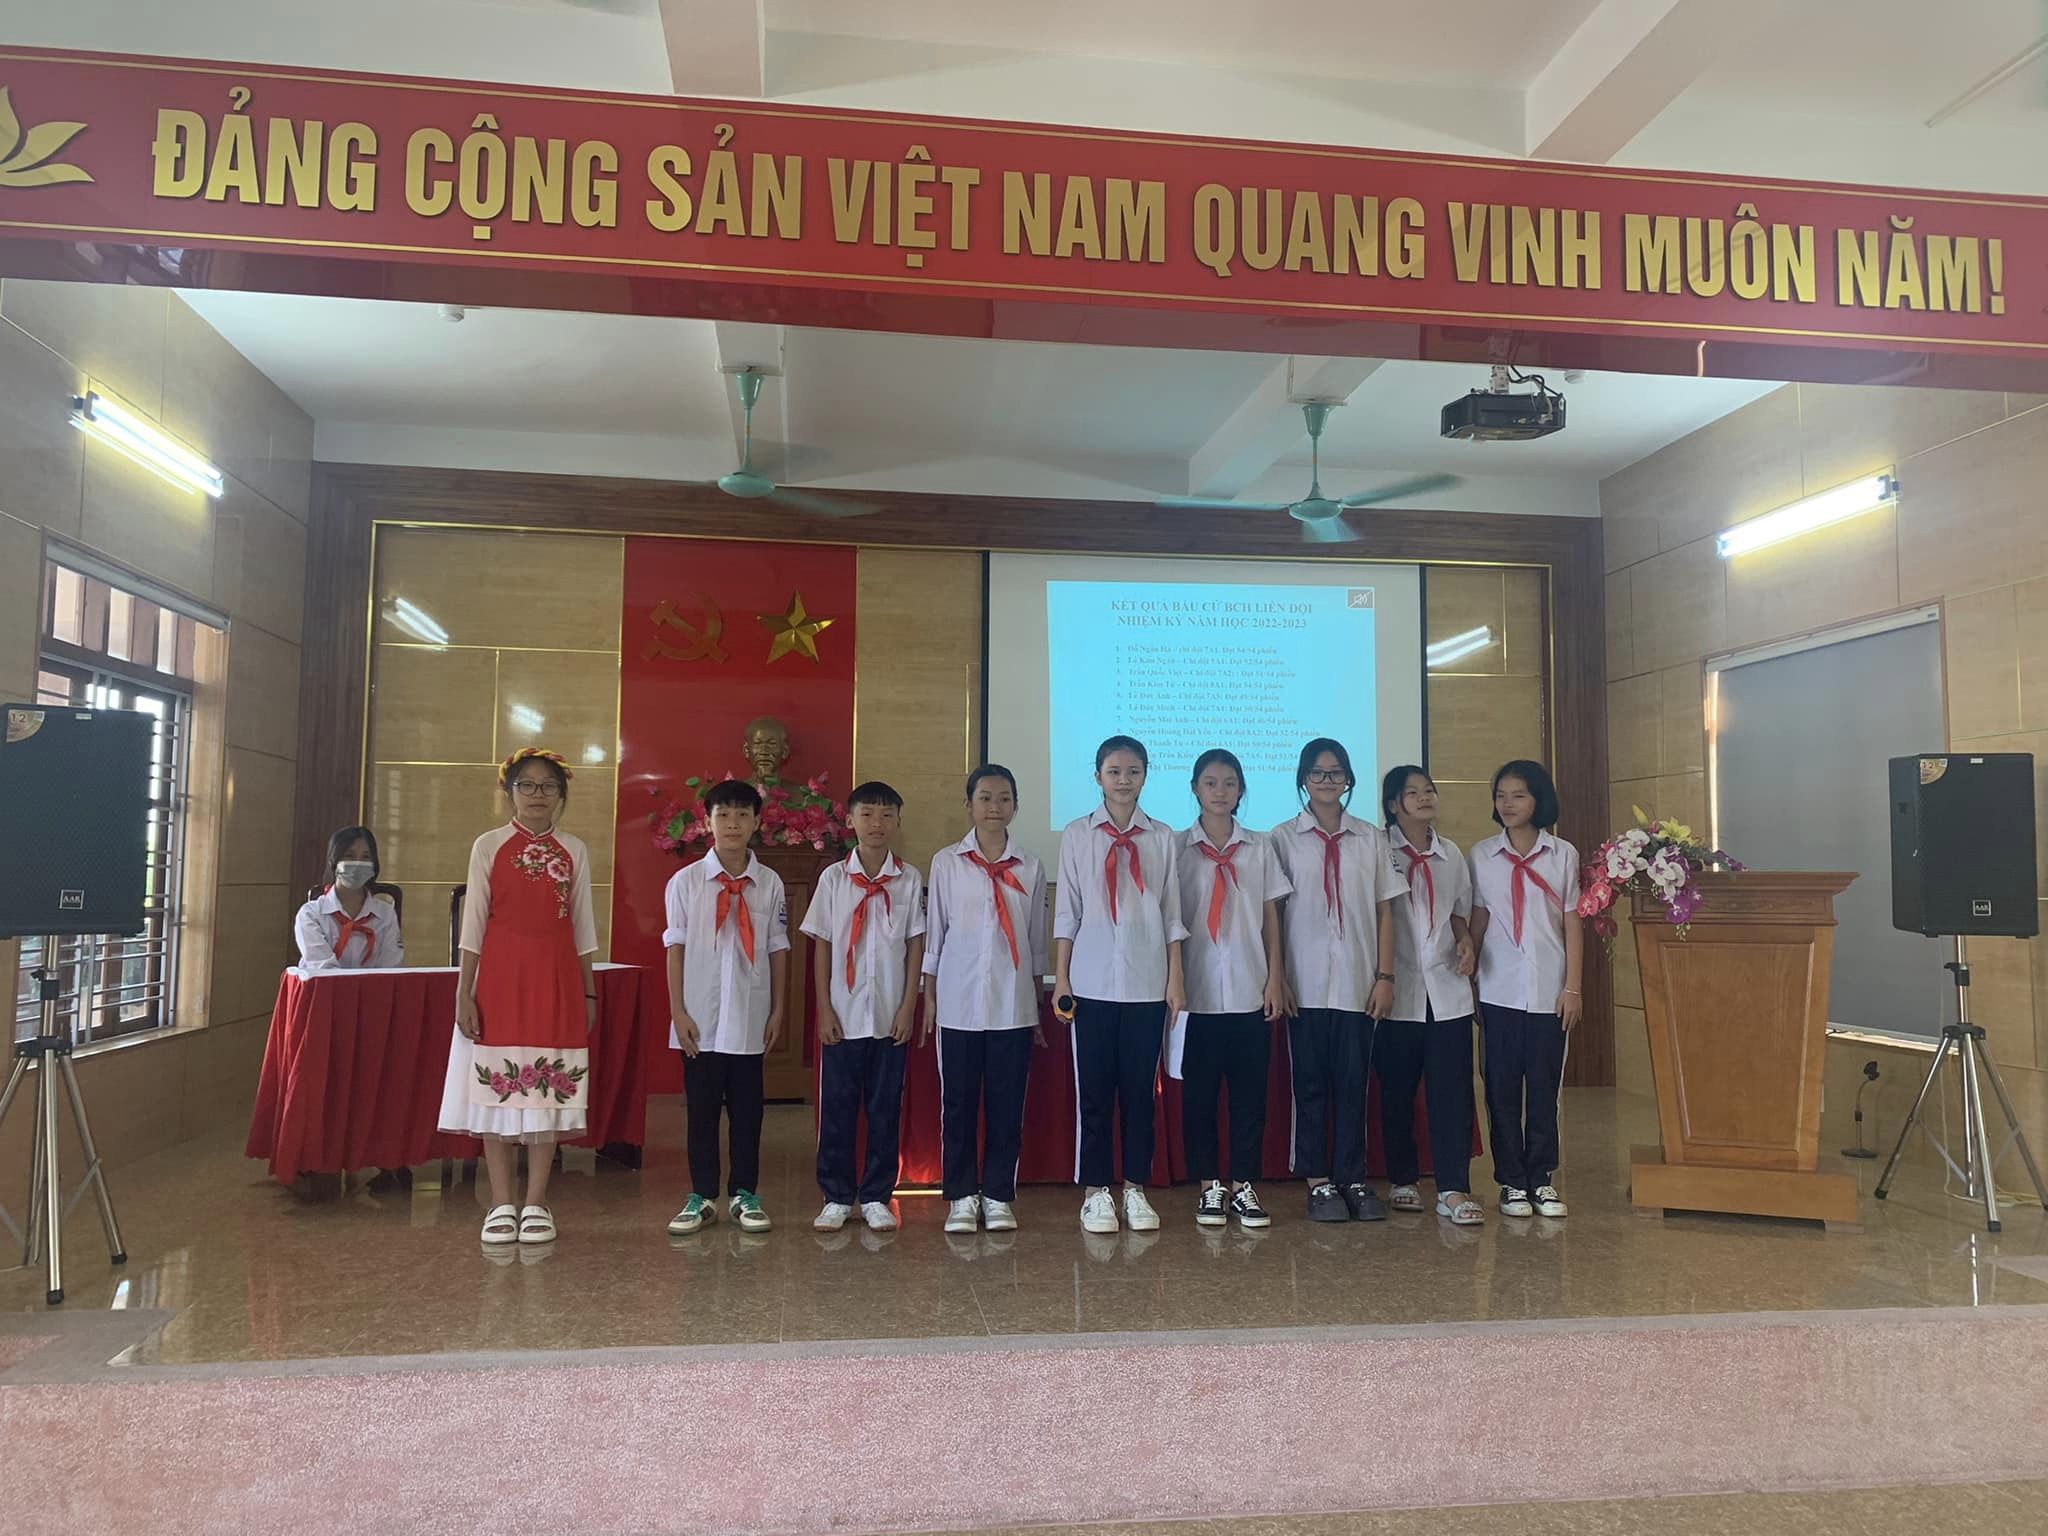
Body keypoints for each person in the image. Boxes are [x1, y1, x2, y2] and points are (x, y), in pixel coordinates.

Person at [437, 749, 598, 1247]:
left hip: (556, 979)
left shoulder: (574, 849)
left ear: (561, 795)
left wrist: (588, 989)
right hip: (499, 979)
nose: (536, 794)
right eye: (526, 785)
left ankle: (537, 1202)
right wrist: (464, 992)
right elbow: (473, 926)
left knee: (547, 1092)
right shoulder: (488, 846)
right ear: (509, 792)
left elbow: (583, 928)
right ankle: (502, 1201)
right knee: (496, 1091)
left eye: (547, 786)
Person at [1055, 734, 1187, 1236]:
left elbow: (1171, 913)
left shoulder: (1162, 837)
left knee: (1138, 1094)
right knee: (1094, 1094)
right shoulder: (1077, 834)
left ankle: (1134, 1187)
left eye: (1133, 771)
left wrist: (1175, 977)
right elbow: (1067, 911)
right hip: (1090, 983)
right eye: (1114, 771)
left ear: (1145, 776)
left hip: (1146, 983)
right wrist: (1062, 977)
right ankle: (1096, 1192)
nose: (1124, 780)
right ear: (1098, 777)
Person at [1271, 737, 1404, 1223]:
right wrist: (1278, 976)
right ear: (1303, 779)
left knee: (1353, 1085)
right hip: (1304, 984)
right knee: (1309, 1085)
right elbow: (1273, 915)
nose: (1327, 781)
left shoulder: (1371, 838)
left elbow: (1385, 911)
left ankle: (1352, 1176)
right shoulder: (1282, 838)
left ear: (1349, 779)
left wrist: (1385, 976)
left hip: (1356, 982)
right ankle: (1317, 1180)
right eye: (1317, 772)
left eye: (1336, 772)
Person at [922, 765, 1049, 1235]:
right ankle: (960, 1196)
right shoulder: (946, 862)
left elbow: (1035, 941)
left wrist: (1035, 1006)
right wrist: (930, 998)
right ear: (969, 804)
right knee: (957, 1105)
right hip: (958, 1004)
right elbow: (935, 936)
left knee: (1005, 1104)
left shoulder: (1031, 865)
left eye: (1004, 798)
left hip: (1012, 1006)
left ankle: (997, 1195)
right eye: (985, 798)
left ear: (1015, 805)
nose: (995, 807)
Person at [663, 778, 791, 1236]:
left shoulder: (769, 883)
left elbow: (778, 949)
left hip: (749, 1018)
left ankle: (744, 1193)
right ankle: (701, 1195)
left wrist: (778, 1010)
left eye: (742, 815)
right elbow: (675, 949)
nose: (732, 824)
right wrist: (678, 1012)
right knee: (700, 1111)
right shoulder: (685, 883)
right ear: (707, 822)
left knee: (747, 1112)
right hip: (699, 1018)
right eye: (723, 815)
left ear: (756, 822)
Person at [801, 781, 926, 1234]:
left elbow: (915, 946)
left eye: (887, 815)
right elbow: (822, 945)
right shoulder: (833, 879)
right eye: (868, 814)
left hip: (890, 1017)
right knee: (837, 1110)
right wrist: (824, 1008)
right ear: (850, 820)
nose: (877, 823)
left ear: (898, 822)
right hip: (844, 1016)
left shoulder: (908, 879)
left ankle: (876, 1194)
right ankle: (836, 1195)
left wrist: (908, 1005)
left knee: (884, 1109)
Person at [1175, 749, 1289, 1230]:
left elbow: (1270, 917)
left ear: (1241, 789)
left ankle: (1243, 1185)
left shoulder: (1259, 847)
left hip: (1248, 988)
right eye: (1210, 782)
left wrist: (1275, 976)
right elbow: (1170, 921)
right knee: (1199, 1098)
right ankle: (1209, 1186)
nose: (1219, 791)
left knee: (1249, 1097)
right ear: (1195, 789)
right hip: (1196, 994)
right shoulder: (1176, 848)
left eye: (1229, 783)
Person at [1468, 759, 1583, 1220]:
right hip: (1497, 989)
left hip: (1548, 990)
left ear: (1538, 799)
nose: (1508, 804)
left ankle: (1542, 1177)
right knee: (1500, 1089)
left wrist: (1573, 988)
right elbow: (1478, 920)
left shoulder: (1563, 854)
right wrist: (1469, 977)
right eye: (1501, 795)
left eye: (1518, 795)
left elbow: (1572, 922)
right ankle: (1512, 1181)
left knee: (1543, 1088)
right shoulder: (1482, 855)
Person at [1377, 766, 1483, 1227]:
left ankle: (1453, 1188)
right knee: (1397, 1092)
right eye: (1412, 792)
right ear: (1393, 805)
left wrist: (1466, 941)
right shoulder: (1378, 850)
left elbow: (1459, 913)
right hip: (1397, 990)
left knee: (1451, 1093)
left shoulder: (1451, 854)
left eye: (1429, 790)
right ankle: (1402, 1179)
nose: (1424, 798)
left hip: (1446, 991)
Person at [294, 825, 404, 970]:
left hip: (374, 985)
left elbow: (390, 969)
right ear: (333, 862)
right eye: (349, 856)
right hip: (324, 984)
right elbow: (323, 969)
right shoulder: (310, 914)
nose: (358, 863)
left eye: (366, 857)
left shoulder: (386, 914)